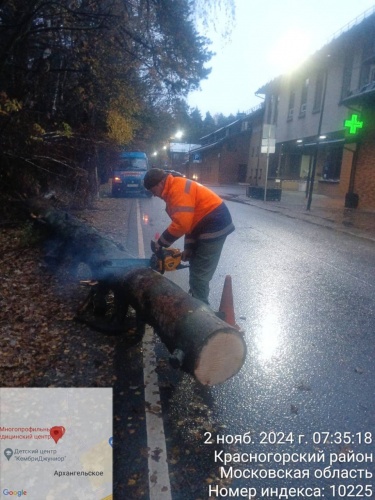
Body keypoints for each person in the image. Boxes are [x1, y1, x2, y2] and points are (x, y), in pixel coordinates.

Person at [143, 168, 235, 305]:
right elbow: (190, 224)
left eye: (153, 191)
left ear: (160, 183)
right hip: (205, 226)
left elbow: (182, 224)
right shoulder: (174, 188)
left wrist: (161, 243)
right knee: (195, 265)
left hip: (214, 225)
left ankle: (203, 316)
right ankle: (196, 301)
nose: (154, 195)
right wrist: (188, 248)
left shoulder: (177, 190)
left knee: (200, 275)